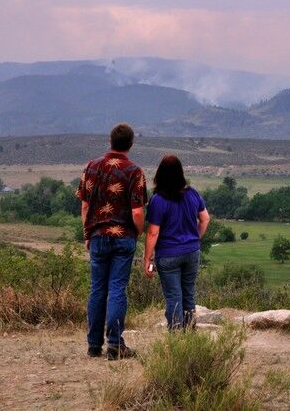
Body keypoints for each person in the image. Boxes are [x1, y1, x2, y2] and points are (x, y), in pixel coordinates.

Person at [79, 123, 147, 360]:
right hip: (123, 238)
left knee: (97, 289)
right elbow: (137, 211)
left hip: (97, 237)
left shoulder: (91, 167)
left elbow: (85, 205)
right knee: (117, 289)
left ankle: (93, 345)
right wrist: (137, 232)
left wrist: (87, 234)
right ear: (130, 144)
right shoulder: (134, 171)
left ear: (110, 141)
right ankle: (116, 344)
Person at [143, 155, 210, 330]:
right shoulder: (192, 193)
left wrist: (147, 259)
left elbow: (153, 232)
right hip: (191, 252)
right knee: (188, 294)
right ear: (180, 173)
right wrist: (195, 239)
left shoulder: (158, 200)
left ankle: (177, 337)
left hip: (168, 254)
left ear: (160, 174)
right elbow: (205, 219)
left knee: (174, 297)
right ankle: (189, 335)